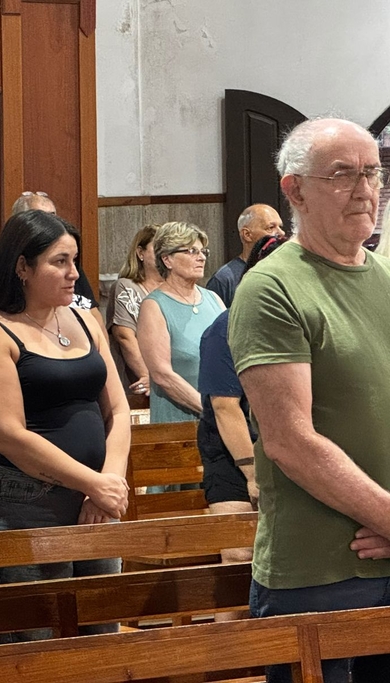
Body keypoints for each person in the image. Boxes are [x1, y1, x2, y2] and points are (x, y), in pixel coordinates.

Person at [230, 118, 390, 683]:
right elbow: (291, 442)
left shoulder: (386, 275)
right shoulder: (271, 288)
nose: (365, 190)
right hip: (321, 571)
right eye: (343, 174)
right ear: (294, 190)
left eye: (372, 172)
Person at [0, 209, 130, 644]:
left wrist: (106, 483)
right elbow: (10, 436)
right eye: (60, 261)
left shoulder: (85, 319)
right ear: (23, 266)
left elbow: (118, 410)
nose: (74, 273)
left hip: (95, 499)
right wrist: (92, 482)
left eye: (75, 260)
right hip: (26, 501)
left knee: (100, 638)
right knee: (31, 646)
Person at [198, 234, 287, 568]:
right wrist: (252, 474)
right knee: (238, 555)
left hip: (283, 447)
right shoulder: (224, 328)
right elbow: (225, 406)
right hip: (233, 454)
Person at [136, 221, 224, 423]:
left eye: (203, 251)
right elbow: (162, 375)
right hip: (180, 424)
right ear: (167, 259)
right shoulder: (154, 306)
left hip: (223, 419)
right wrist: (212, 411)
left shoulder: (214, 299)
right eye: (192, 251)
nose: (201, 257)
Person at [9, 190, 103, 328]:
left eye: (54, 217)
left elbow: (94, 312)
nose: (74, 274)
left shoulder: (83, 317)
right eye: (60, 261)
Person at [106, 225, 163, 398]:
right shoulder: (126, 287)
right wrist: (148, 377)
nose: (164, 253)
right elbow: (125, 337)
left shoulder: (175, 289)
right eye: (157, 248)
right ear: (140, 253)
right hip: (139, 384)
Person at [205, 204, 285, 307]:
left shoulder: (284, 271)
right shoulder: (224, 280)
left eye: (280, 227)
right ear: (247, 235)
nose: (281, 233)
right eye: (271, 227)